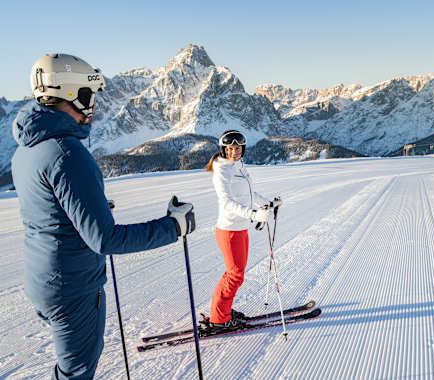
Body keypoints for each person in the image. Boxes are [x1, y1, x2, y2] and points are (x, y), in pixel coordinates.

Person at [11, 53, 195, 380]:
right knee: (76, 374)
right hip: (74, 287)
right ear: (72, 94)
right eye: (89, 94)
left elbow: (48, 207)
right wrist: (173, 227)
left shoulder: (27, 147)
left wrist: (89, 206)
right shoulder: (68, 153)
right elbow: (105, 239)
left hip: (43, 280)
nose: (94, 103)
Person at [205, 130, 281, 330]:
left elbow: (247, 192)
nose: (234, 151)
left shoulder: (238, 166)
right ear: (223, 149)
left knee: (235, 273)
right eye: (230, 148)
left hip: (240, 229)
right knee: (235, 275)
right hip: (229, 230)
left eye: (238, 148)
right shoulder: (222, 170)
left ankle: (223, 311)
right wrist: (254, 215)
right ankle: (219, 319)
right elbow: (227, 202)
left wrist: (267, 203)